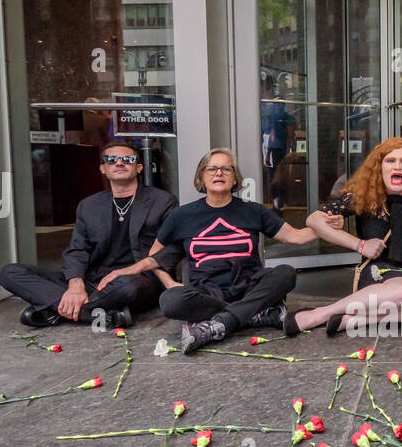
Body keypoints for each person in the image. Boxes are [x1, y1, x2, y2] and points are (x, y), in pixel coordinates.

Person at [110, 148, 319, 353]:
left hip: (249, 286)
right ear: (201, 177)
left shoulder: (253, 211)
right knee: (170, 300)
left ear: (235, 178)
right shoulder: (182, 216)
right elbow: (154, 256)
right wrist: (171, 284)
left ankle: (221, 323)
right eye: (211, 169)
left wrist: (327, 226)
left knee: (286, 273)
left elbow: (297, 236)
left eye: (226, 169)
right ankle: (254, 314)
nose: (219, 173)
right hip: (207, 292)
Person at [285, 137, 402, 336]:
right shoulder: (363, 196)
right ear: (379, 167)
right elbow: (314, 220)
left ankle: (353, 320)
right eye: (390, 161)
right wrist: (359, 245)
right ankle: (322, 313)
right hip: (380, 272)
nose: (398, 166)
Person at [0, 139, 179, 329]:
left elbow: (171, 249)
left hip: (136, 279)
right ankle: (98, 315)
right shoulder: (89, 205)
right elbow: (78, 249)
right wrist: (76, 284)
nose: (119, 163)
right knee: (9, 273)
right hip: (93, 280)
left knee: (129, 288)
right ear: (103, 168)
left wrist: (130, 271)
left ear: (139, 167)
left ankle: (58, 310)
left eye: (127, 159)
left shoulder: (163, 201)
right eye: (111, 159)